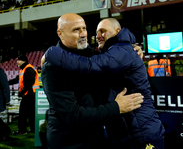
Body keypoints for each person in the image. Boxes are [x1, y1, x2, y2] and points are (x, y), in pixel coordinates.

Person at [44, 17, 165, 149]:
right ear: (60, 33)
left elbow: (96, 63)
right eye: (76, 30)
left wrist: (129, 48)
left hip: (134, 134)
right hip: (70, 142)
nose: (84, 33)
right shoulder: (52, 67)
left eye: (84, 28)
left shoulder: (104, 54)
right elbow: (73, 116)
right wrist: (116, 107)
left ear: (117, 31)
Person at [9, 54, 40, 135]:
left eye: (18, 60)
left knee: (23, 113)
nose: (17, 62)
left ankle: (22, 130)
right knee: (31, 113)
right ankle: (33, 129)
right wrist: (6, 83)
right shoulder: (23, 70)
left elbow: (30, 83)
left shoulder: (28, 69)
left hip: (29, 94)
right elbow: (16, 80)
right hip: (30, 94)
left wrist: (22, 92)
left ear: (23, 61)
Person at [0, 67, 11, 141]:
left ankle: (5, 131)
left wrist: (7, 99)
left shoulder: (0, 72)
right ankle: (5, 131)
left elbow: (5, 86)